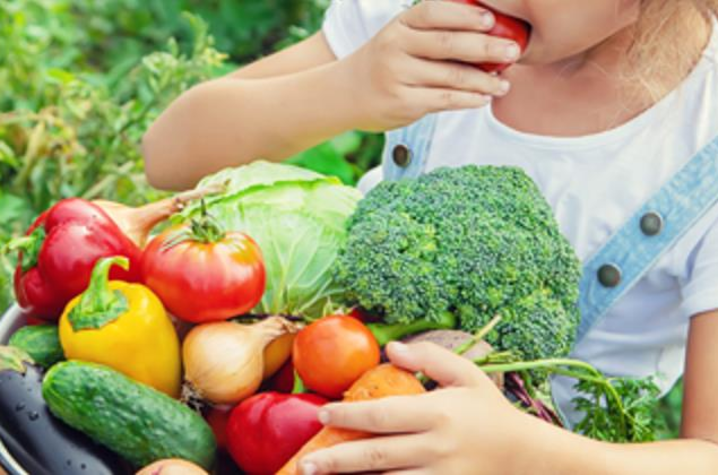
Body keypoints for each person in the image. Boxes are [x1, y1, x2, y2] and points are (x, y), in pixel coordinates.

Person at [143, 0, 718, 473]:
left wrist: (521, 453)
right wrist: (348, 85)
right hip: (276, 408)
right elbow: (167, 154)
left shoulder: (701, 142)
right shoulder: (418, 15)